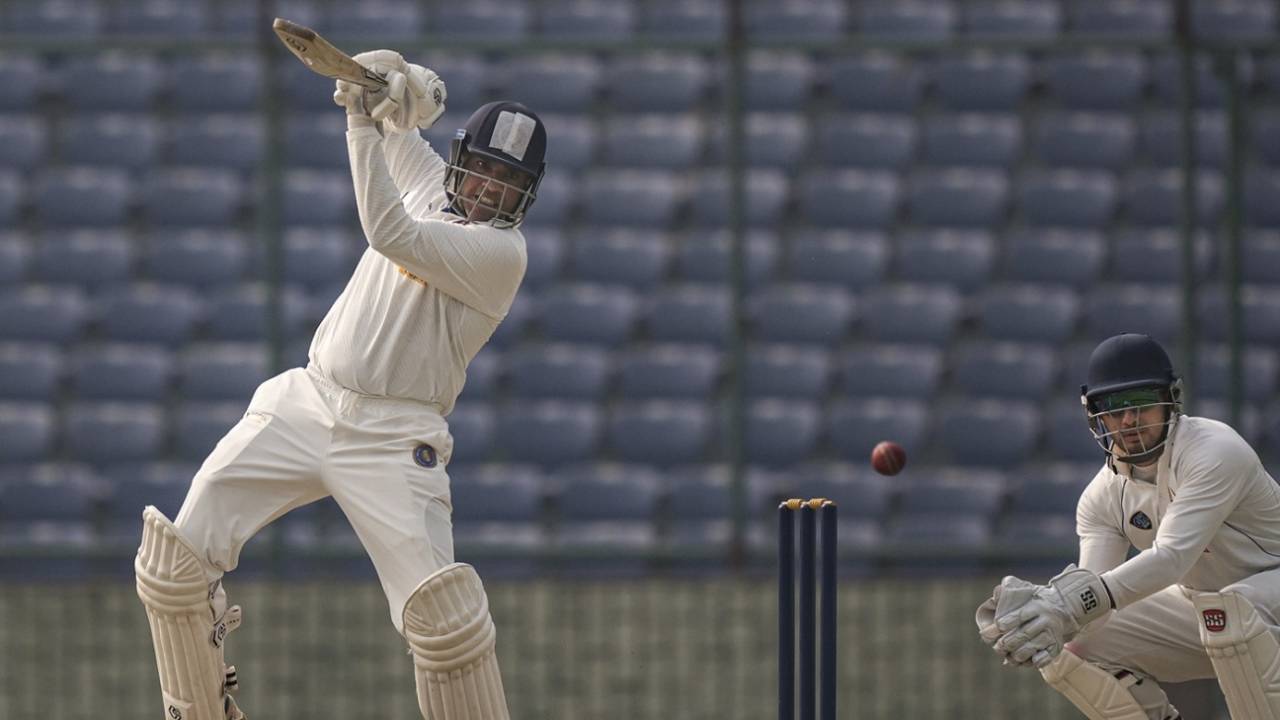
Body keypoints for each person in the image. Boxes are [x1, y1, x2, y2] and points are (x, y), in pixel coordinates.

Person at [134, 48, 545, 720]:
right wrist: (385, 83)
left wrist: (361, 123)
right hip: (307, 400)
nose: (489, 190)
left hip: (393, 437)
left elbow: (388, 232)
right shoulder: (430, 183)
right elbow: (394, 127)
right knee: (174, 564)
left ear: (525, 193)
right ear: (464, 158)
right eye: (485, 171)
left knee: (446, 625)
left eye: (508, 181)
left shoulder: (502, 255)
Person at [974, 332, 1280, 719]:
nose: (1129, 420)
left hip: (1265, 593)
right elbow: (1095, 600)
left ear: (1171, 401)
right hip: (1209, 612)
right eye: (1115, 407)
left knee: (1228, 611)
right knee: (1076, 643)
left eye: (1141, 403)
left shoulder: (1215, 451)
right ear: (1096, 415)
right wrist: (1049, 611)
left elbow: (1171, 558)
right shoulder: (1100, 498)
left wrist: (1066, 603)